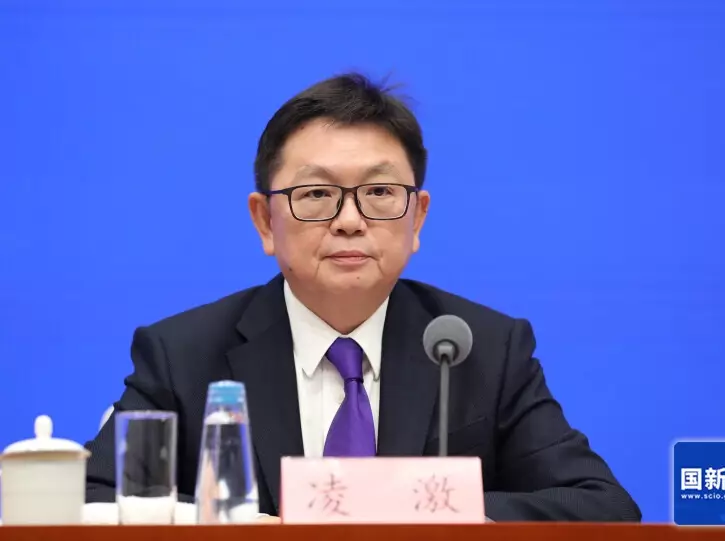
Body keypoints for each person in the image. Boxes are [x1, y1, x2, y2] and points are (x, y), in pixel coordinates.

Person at [84, 72, 641, 522]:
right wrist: (241, 525)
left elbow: (601, 506)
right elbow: (94, 500)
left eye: (378, 192)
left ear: (417, 218)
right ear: (265, 221)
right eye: (317, 193)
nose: (349, 220)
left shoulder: (483, 350)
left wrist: (437, 509)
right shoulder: (183, 355)